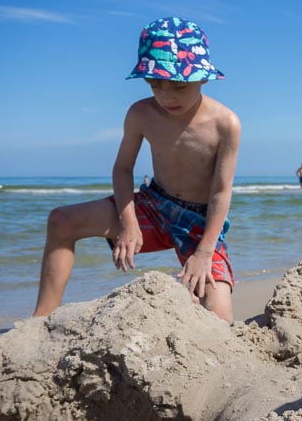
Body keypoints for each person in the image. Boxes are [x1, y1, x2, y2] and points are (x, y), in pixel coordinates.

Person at [34, 17, 240, 322]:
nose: (166, 96)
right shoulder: (141, 113)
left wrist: (204, 252)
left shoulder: (226, 124)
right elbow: (122, 169)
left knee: (220, 317)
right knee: (61, 220)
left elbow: (221, 192)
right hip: (154, 205)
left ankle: (183, 301)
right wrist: (128, 223)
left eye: (179, 86)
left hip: (200, 222)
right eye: (155, 85)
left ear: (203, 78)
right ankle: (40, 320)